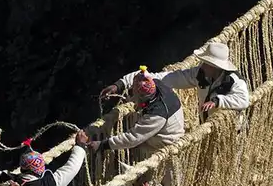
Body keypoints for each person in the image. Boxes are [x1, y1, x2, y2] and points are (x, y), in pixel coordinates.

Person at [99, 42, 250, 125]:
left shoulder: (234, 81)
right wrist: (120, 84)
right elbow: (162, 78)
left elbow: (244, 100)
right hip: (208, 125)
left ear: (216, 66)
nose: (202, 66)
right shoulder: (199, 74)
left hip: (231, 130)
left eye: (206, 63)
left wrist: (217, 101)